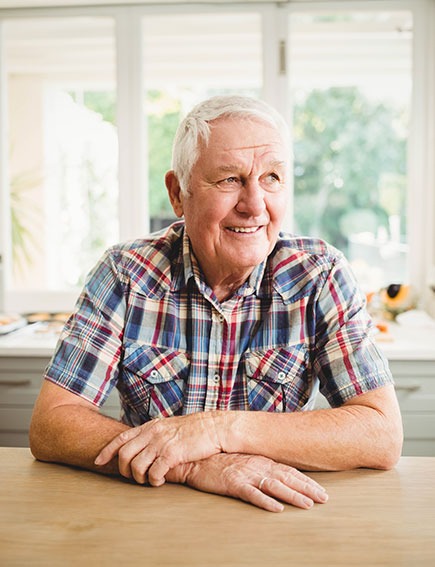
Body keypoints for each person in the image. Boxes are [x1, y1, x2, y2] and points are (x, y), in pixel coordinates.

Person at [30, 95, 403, 513]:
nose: (254, 204)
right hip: (149, 513)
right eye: (229, 180)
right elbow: (52, 424)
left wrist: (216, 430)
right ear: (178, 193)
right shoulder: (125, 273)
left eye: (273, 178)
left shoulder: (319, 274)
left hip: (277, 516)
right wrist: (191, 466)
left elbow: (381, 433)